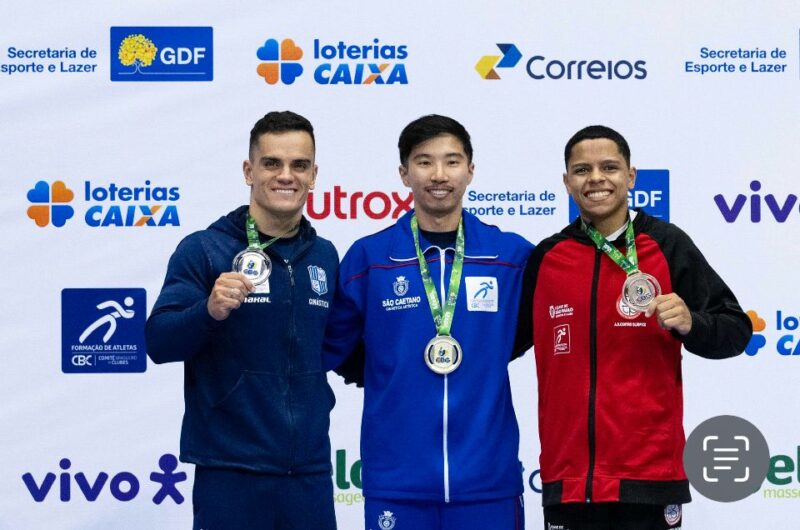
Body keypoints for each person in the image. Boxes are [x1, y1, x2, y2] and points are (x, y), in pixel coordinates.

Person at [515, 125, 752, 529]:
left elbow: (735, 330)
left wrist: (691, 323)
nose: (596, 179)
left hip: (650, 476)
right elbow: (500, 343)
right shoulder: (549, 257)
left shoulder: (667, 243)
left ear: (631, 176)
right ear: (566, 181)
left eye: (609, 167)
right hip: (569, 480)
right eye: (582, 169)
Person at [324, 114, 533, 530]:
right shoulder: (369, 260)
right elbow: (332, 347)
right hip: (396, 483)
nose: (439, 175)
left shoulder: (511, 258)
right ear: (404, 173)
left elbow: (532, 332)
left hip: (488, 483)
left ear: (471, 170)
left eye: (452, 161)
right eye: (424, 162)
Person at [146, 111, 338, 530]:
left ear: (314, 174)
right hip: (231, 471)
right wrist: (208, 311)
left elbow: (343, 346)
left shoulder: (324, 256)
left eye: (299, 165)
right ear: (249, 171)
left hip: (309, 473)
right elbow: (158, 342)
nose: (286, 176)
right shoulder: (205, 251)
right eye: (272, 163)